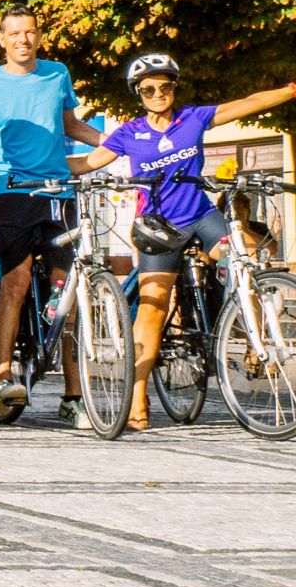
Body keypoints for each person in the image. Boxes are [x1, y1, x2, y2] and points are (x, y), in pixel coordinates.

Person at [73, 53, 296, 432]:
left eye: (165, 86)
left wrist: (290, 90)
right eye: (149, 88)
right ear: (138, 93)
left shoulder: (192, 118)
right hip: (157, 227)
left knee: (245, 254)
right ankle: (138, 396)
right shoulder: (129, 133)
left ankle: (248, 327)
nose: (158, 93)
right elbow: (86, 163)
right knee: (152, 308)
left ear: (174, 88)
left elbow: (245, 104)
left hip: (200, 216)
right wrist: (28, 164)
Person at [0, 7, 102, 422]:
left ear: (40, 37)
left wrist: (119, 145)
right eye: (15, 33)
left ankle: (74, 396)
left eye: (31, 32)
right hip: (11, 190)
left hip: (58, 191)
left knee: (68, 291)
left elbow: (71, 126)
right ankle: (3, 375)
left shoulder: (57, 73)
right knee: (15, 281)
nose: (23, 39)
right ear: (1, 39)